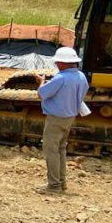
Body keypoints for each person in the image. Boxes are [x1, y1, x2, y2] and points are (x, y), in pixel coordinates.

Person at [36, 46, 90, 194]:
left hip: (56, 118)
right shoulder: (81, 76)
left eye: (57, 63)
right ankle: (61, 182)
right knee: (61, 149)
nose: (57, 65)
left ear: (62, 63)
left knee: (51, 151)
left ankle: (53, 186)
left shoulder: (61, 78)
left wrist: (41, 82)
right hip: (70, 117)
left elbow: (42, 94)